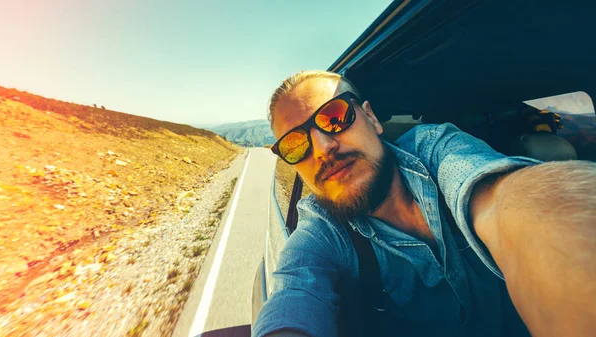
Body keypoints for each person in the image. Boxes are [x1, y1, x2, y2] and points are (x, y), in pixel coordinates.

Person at [253, 70, 596, 337]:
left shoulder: (436, 150)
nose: (323, 147)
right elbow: (295, 291)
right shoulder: (322, 229)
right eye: (296, 145)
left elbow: (506, 198)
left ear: (371, 118)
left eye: (334, 116)